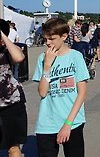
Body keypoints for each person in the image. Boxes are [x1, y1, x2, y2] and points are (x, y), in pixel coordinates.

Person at [32, 18, 90, 157]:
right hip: (47, 123)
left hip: (72, 121)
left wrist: (68, 124)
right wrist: (47, 66)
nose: (47, 43)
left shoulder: (75, 57)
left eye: (52, 38)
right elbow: (42, 92)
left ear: (64, 36)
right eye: (45, 38)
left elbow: (81, 93)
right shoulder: (43, 58)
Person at [0, 19, 27, 157]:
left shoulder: (8, 51)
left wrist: (3, 36)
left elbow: (19, 57)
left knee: (13, 149)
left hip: (11, 105)